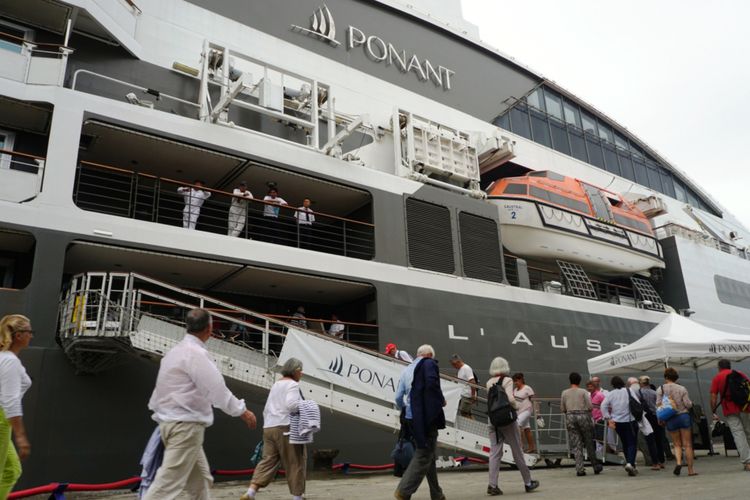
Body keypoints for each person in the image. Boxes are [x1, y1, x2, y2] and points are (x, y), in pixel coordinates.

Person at [144, 308, 257, 500]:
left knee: (200, 482)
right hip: (185, 427)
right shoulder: (196, 354)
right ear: (209, 329)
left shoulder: (173, 352)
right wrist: (242, 411)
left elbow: (159, 391)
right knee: (167, 484)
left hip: (169, 423)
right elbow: (217, 390)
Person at [243, 358, 306, 500]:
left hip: (269, 427)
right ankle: (297, 497)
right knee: (295, 461)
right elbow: (291, 405)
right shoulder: (292, 385)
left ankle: (251, 492)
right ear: (295, 371)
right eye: (300, 371)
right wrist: (305, 407)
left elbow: (266, 409)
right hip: (286, 427)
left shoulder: (276, 384)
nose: (301, 374)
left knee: (267, 461)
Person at [394, 345, 446, 500]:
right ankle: (403, 491)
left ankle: (436, 494)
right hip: (425, 419)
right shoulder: (429, 364)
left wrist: (407, 409)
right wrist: (439, 401)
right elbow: (432, 385)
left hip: (411, 419)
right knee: (424, 453)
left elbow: (398, 397)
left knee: (428, 453)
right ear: (429, 355)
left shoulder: (406, 370)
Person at [485, 357, 540, 495]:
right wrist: (515, 407)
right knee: (517, 451)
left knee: (495, 453)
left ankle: (492, 485)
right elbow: (510, 399)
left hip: (493, 421)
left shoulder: (488, 382)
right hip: (507, 420)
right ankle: (528, 482)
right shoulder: (507, 380)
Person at [0, 315, 33, 498]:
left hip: (3, 420)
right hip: (1, 420)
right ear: (19, 335)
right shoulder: (10, 361)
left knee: (11, 470)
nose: (31, 336)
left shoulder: (6, 358)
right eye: (29, 332)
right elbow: (10, 400)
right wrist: (20, 436)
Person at [710, 359, 750, 471]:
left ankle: (747, 462)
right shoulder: (739, 374)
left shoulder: (717, 378)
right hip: (745, 407)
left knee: (738, 433)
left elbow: (713, 397)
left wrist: (713, 411)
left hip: (729, 408)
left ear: (719, 367)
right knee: (748, 431)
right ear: (730, 366)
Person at [656, 367, 695, 476]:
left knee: (676, 444)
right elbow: (688, 404)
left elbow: (659, 405)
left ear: (666, 377)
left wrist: (660, 419)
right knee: (687, 444)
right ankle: (690, 470)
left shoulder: (660, 389)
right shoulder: (682, 388)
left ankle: (678, 463)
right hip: (683, 416)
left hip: (670, 418)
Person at [561, 372, 602, 476]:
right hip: (583, 416)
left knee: (576, 444)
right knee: (588, 441)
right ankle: (595, 466)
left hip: (570, 416)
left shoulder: (564, 392)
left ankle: (580, 469)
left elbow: (563, 408)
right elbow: (590, 406)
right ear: (579, 381)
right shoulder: (583, 392)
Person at [601, 375, 639, 476]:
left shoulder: (610, 394)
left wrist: (608, 418)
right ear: (622, 382)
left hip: (617, 422)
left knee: (625, 443)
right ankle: (630, 463)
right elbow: (637, 402)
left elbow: (603, 406)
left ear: (612, 384)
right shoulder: (629, 391)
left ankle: (629, 463)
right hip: (630, 421)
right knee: (632, 443)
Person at [638, 375, 665, 470]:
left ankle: (655, 462)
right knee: (659, 439)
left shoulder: (638, 393)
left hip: (646, 418)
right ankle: (661, 461)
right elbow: (661, 405)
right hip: (657, 416)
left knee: (650, 440)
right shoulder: (655, 393)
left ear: (640, 383)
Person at [512, 373, 537, 453]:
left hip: (527, 410)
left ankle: (520, 446)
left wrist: (537, 412)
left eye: (517, 381)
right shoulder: (515, 390)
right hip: (518, 412)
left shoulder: (527, 388)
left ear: (521, 380)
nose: (515, 383)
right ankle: (532, 447)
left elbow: (534, 400)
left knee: (517, 424)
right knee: (527, 429)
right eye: (514, 381)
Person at [449, 354, 476, 419]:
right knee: (467, 413)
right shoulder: (461, 370)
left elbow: (472, 381)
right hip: (463, 395)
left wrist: (473, 395)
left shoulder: (466, 368)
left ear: (458, 362)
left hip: (467, 396)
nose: (453, 366)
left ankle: (470, 426)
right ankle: (472, 426)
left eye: (454, 364)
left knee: (464, 413)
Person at [587, 380, 607, 455]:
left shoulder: (599, 395)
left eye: (591, 386)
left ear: (595, 387)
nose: (589, 388)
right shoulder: (590, 395)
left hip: (600, 419)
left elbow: (606, 405)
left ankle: (605, 452)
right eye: (588, 387)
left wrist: (605, 416)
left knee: (599, 437)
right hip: (593, 419)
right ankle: (597, 452)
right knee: (595, 437)